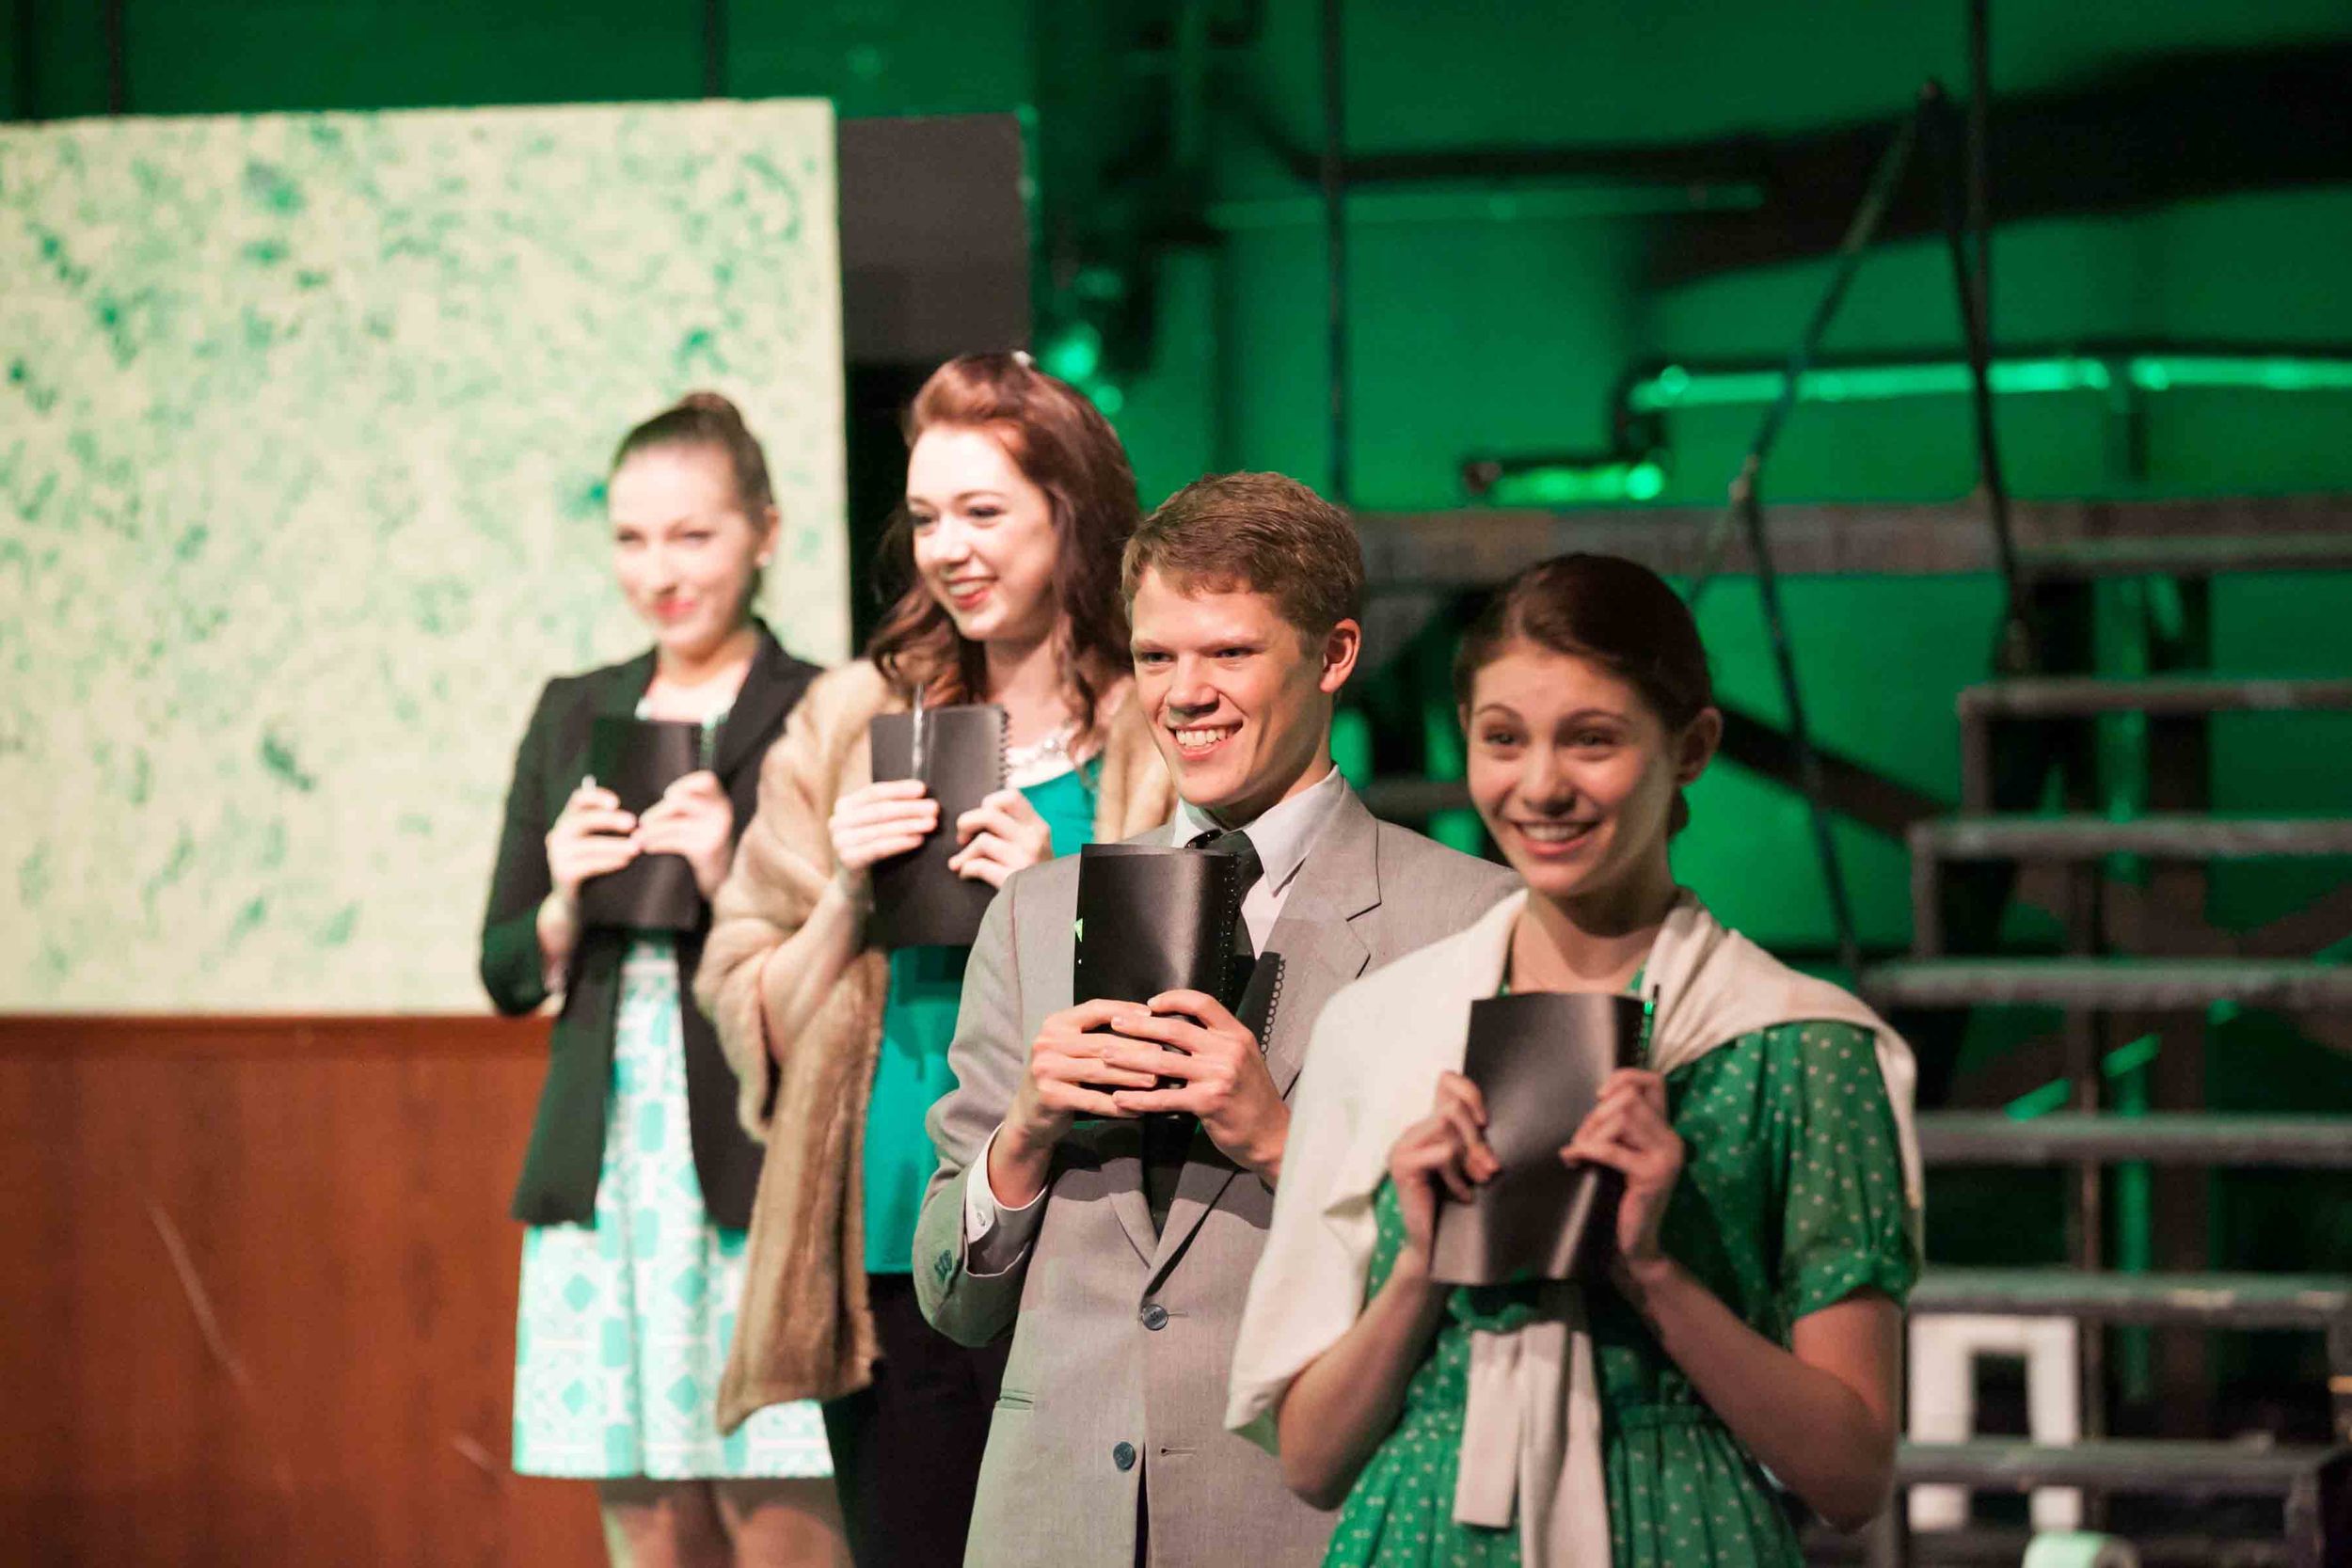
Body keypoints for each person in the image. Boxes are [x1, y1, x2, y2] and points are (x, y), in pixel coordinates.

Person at [1227, 553, 1924, 1567]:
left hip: (1681, 1531)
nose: (1542, 784)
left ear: (1691, 746)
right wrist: (1423, 1261)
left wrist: (1651, 1268)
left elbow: (1851, 1473)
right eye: (1502, 738)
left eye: (1592, 739)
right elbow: (1310, 1457)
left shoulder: (1794, 1042)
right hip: (1425, 1529)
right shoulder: (1382, 1025)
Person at [913, 471, 1518, 1568]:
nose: (1184, 692)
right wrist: (1024, 1138)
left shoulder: (1470, 921)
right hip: (1053, 1523)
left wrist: (1284, 1140)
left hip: (1308, 1517)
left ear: (1333, 655)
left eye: (1229, 652)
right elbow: (950, 1297)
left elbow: (1500, 1275)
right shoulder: (1035, 914)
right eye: (1155, 655)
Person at [694, 353, 1177, 1568]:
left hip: (1086, 1227)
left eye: (983, 510)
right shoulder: (852, 717)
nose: (948, 546)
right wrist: (848, 897)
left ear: (1069, 512)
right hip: (892, 1233)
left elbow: (1206, 987)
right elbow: (744, 987)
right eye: (923, 516)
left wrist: (1043, 900)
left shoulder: (1156, 721)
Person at [480, 392, 842, 1566]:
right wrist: (560, 898)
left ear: (765, 531)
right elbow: (500, 965)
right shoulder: (571, 706)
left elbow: (860, 957)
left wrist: (729, 865)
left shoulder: (822, 706)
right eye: (633, 539)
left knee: (782, 1508)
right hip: (609, 1152)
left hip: (755, 1144)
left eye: (693, 536)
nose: (660, 571)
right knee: (648, 1526)